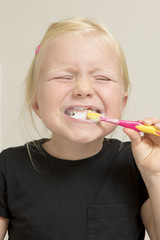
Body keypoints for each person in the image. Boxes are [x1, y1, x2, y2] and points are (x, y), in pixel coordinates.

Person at [0, 17, 160, 240]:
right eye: (64, 77)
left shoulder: (134, 164)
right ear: (36, 103)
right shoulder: (8, 167)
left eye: (102, 77)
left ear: (122, 104)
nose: (83, 89)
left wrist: (155, 174)